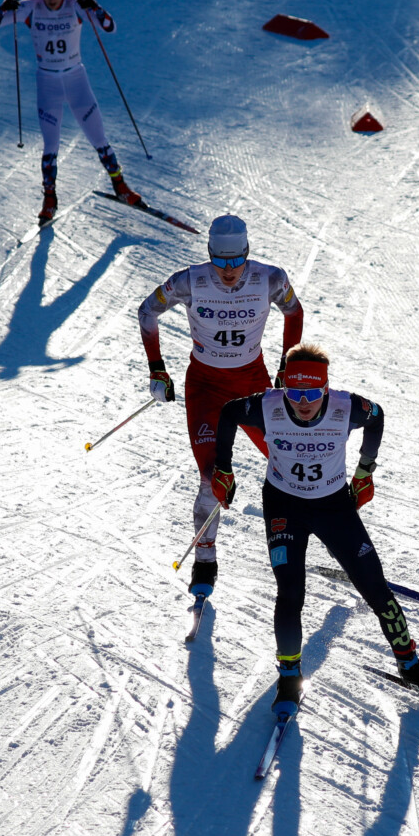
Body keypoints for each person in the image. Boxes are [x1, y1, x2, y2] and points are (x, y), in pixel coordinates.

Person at [211, 342, 419, 715]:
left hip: (333, 506)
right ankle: (289, 675)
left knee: (375, 586)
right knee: (290, 591)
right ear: (283, 387)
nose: (302, 402)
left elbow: (377, 417)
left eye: (311, 392)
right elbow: (227, 414)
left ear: (326, 388)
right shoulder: (267, 405)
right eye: (294, 392)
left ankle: (411, 666)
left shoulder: (346, 406)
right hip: (284, 508)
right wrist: (222, 468)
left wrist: (365, 471)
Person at [137, 214, 304, 597]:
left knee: (289, 455)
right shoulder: (189, 281)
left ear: (247, 253)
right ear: (209, 254)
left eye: (236, 261)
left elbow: (294, 312)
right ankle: (205, 560)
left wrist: (286, 366)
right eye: (220, 261)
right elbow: (147, 311)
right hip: (206, 387)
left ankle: (329, 530)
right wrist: (157, 369)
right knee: (212, 479)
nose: (228, 271)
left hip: (252, 383)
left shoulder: (270, 278)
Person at [0, 0, 139, 225]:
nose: (52, 1)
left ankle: (120, 186)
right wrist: (4, 6)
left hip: (75, 78)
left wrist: (97, 6)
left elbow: (109, 27)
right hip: (47, 81)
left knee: (98, 137)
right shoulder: (31, 7)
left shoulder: (75, 4)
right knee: (50, 146)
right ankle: (49, 199)